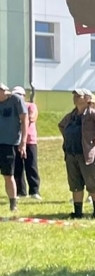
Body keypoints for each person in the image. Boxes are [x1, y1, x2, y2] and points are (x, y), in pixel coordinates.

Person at [59, 89, 95, 218]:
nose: (75, 98)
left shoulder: (94, 114)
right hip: (72, 154)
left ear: (88, 99)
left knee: (93, 183)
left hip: (89, 154)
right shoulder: (71, 115)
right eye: (75, 96)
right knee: (75, 184)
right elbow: (61, 125)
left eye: (79, 96)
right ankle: (77, 213)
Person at [10, 86, 40, 199]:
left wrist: (21, 119)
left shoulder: (31, 106)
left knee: (31, 166)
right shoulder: (12, 107)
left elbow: (31, 118)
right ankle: (20, 191)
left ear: (24, 96)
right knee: (17, 167)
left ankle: (34, 191)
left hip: (30, 140)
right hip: (16, 140)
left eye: (19, 95)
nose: (17, 97)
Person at [0, 83, 23, 213]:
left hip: (9, 143)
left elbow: (24, 120)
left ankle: (13, 203)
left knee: (8, 175)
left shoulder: (16, 100)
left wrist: (23, 141)